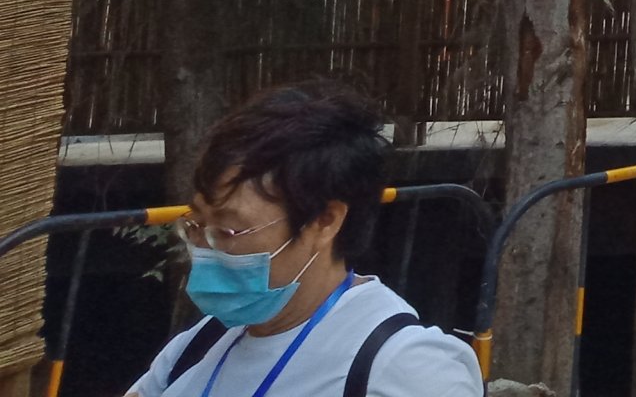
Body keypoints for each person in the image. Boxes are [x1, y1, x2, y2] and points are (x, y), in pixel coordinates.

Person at [129, 81, 482, 397]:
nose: (204, 249)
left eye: (227, 231)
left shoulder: (405, 368)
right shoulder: (201, 344)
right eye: (196, 224)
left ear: (324, 221)